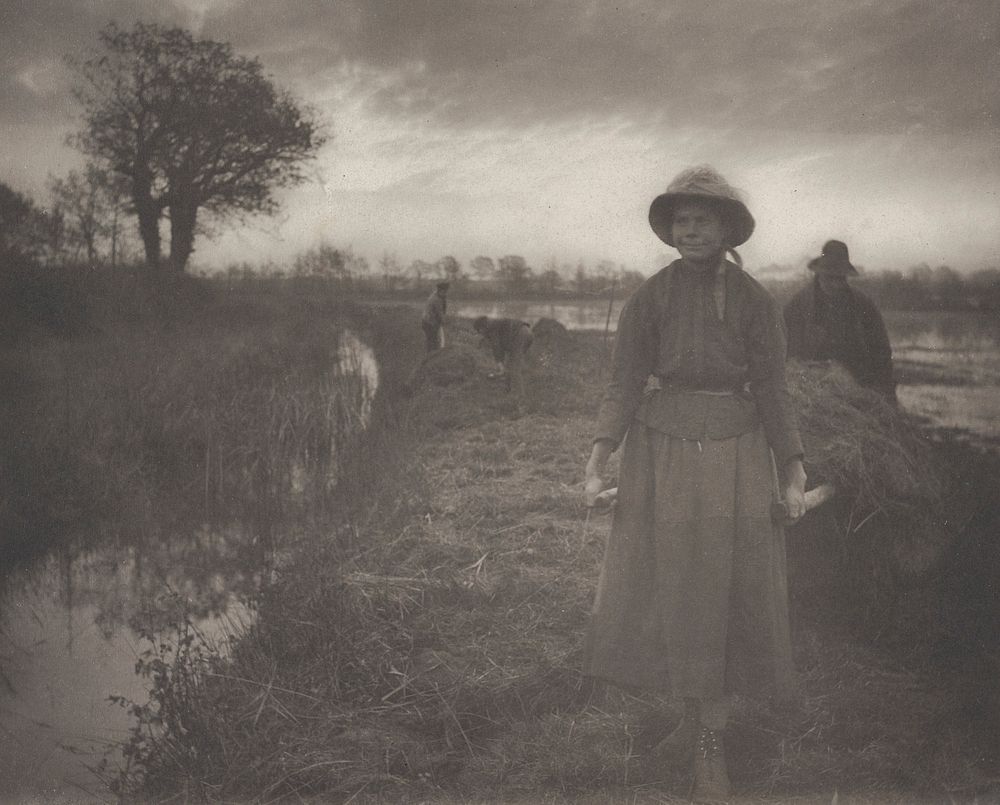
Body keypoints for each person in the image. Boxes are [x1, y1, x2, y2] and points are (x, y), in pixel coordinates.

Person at [582, 165, 807, 802]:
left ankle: (712, 741)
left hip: (736, 457)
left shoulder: (756, 302)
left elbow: (772, 389)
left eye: (705, 219)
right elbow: (624, 382)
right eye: (682, 220)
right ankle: (691, 721)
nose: (692, 229)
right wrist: (600, 457)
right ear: (669, 230)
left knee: (725, 585)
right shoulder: (648, 299)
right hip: (661, 458)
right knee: (675, 583)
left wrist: (792, 469)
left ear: (728, 229)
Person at [783, 240, 897, 403]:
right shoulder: (798, 305)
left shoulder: (863, 304)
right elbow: (783, 351)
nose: (836, 284)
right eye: (830, 277)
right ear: (819, 273)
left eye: (840, 278)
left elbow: (881, 351)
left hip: (857, 388)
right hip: (812, 390)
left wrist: (887, 393)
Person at [472, 316, 534, 398]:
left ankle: (519, 395)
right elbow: (500, 346)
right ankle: (508, 390)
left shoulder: (491, 328)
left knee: (514, 366)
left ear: (482, 327)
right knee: (511, 364)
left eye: (479, 331)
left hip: (520, 335)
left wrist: (499, 364)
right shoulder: (494, 324)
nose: (481, 333)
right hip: (526, 333)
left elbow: (496, 347)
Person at [421, 281, 449, 352]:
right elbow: (440, 313)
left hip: (428, 321)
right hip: (430, 323)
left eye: (446, 291)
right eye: (444, 291)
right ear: (440, 290)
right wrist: (445, 322)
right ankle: (432, 356)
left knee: (433, 341)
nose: (445, 293)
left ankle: (432, 355)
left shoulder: (437, 295)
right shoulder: (436, 299)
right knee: (434, 342)